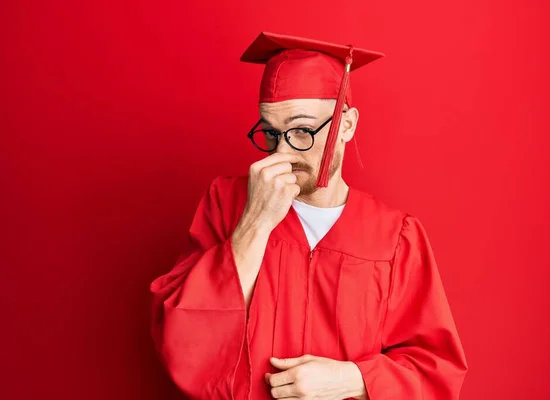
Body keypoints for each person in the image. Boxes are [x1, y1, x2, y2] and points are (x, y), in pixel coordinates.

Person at [150, 32, 468, 400]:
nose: (283, 151)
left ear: (346, 124)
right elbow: (183, 345)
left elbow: (436, 371)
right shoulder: (226, 204)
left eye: (302, 130)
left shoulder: (395, 236)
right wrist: (255, 223)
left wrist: (355, 379)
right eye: (270, 132)